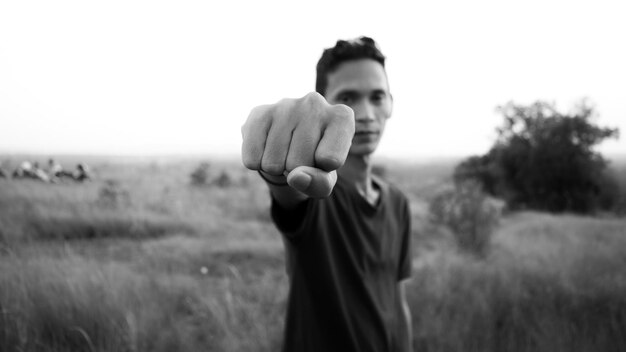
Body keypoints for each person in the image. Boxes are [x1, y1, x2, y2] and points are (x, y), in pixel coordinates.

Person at [241, 36, 413, 352]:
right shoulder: (317, 195)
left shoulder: (398, 203)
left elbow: (397, 300)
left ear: (391, 104)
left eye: (377, 97)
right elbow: (293, 195)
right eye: (347, 97)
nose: (365, 113)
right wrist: (279, 173)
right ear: (323, 105)